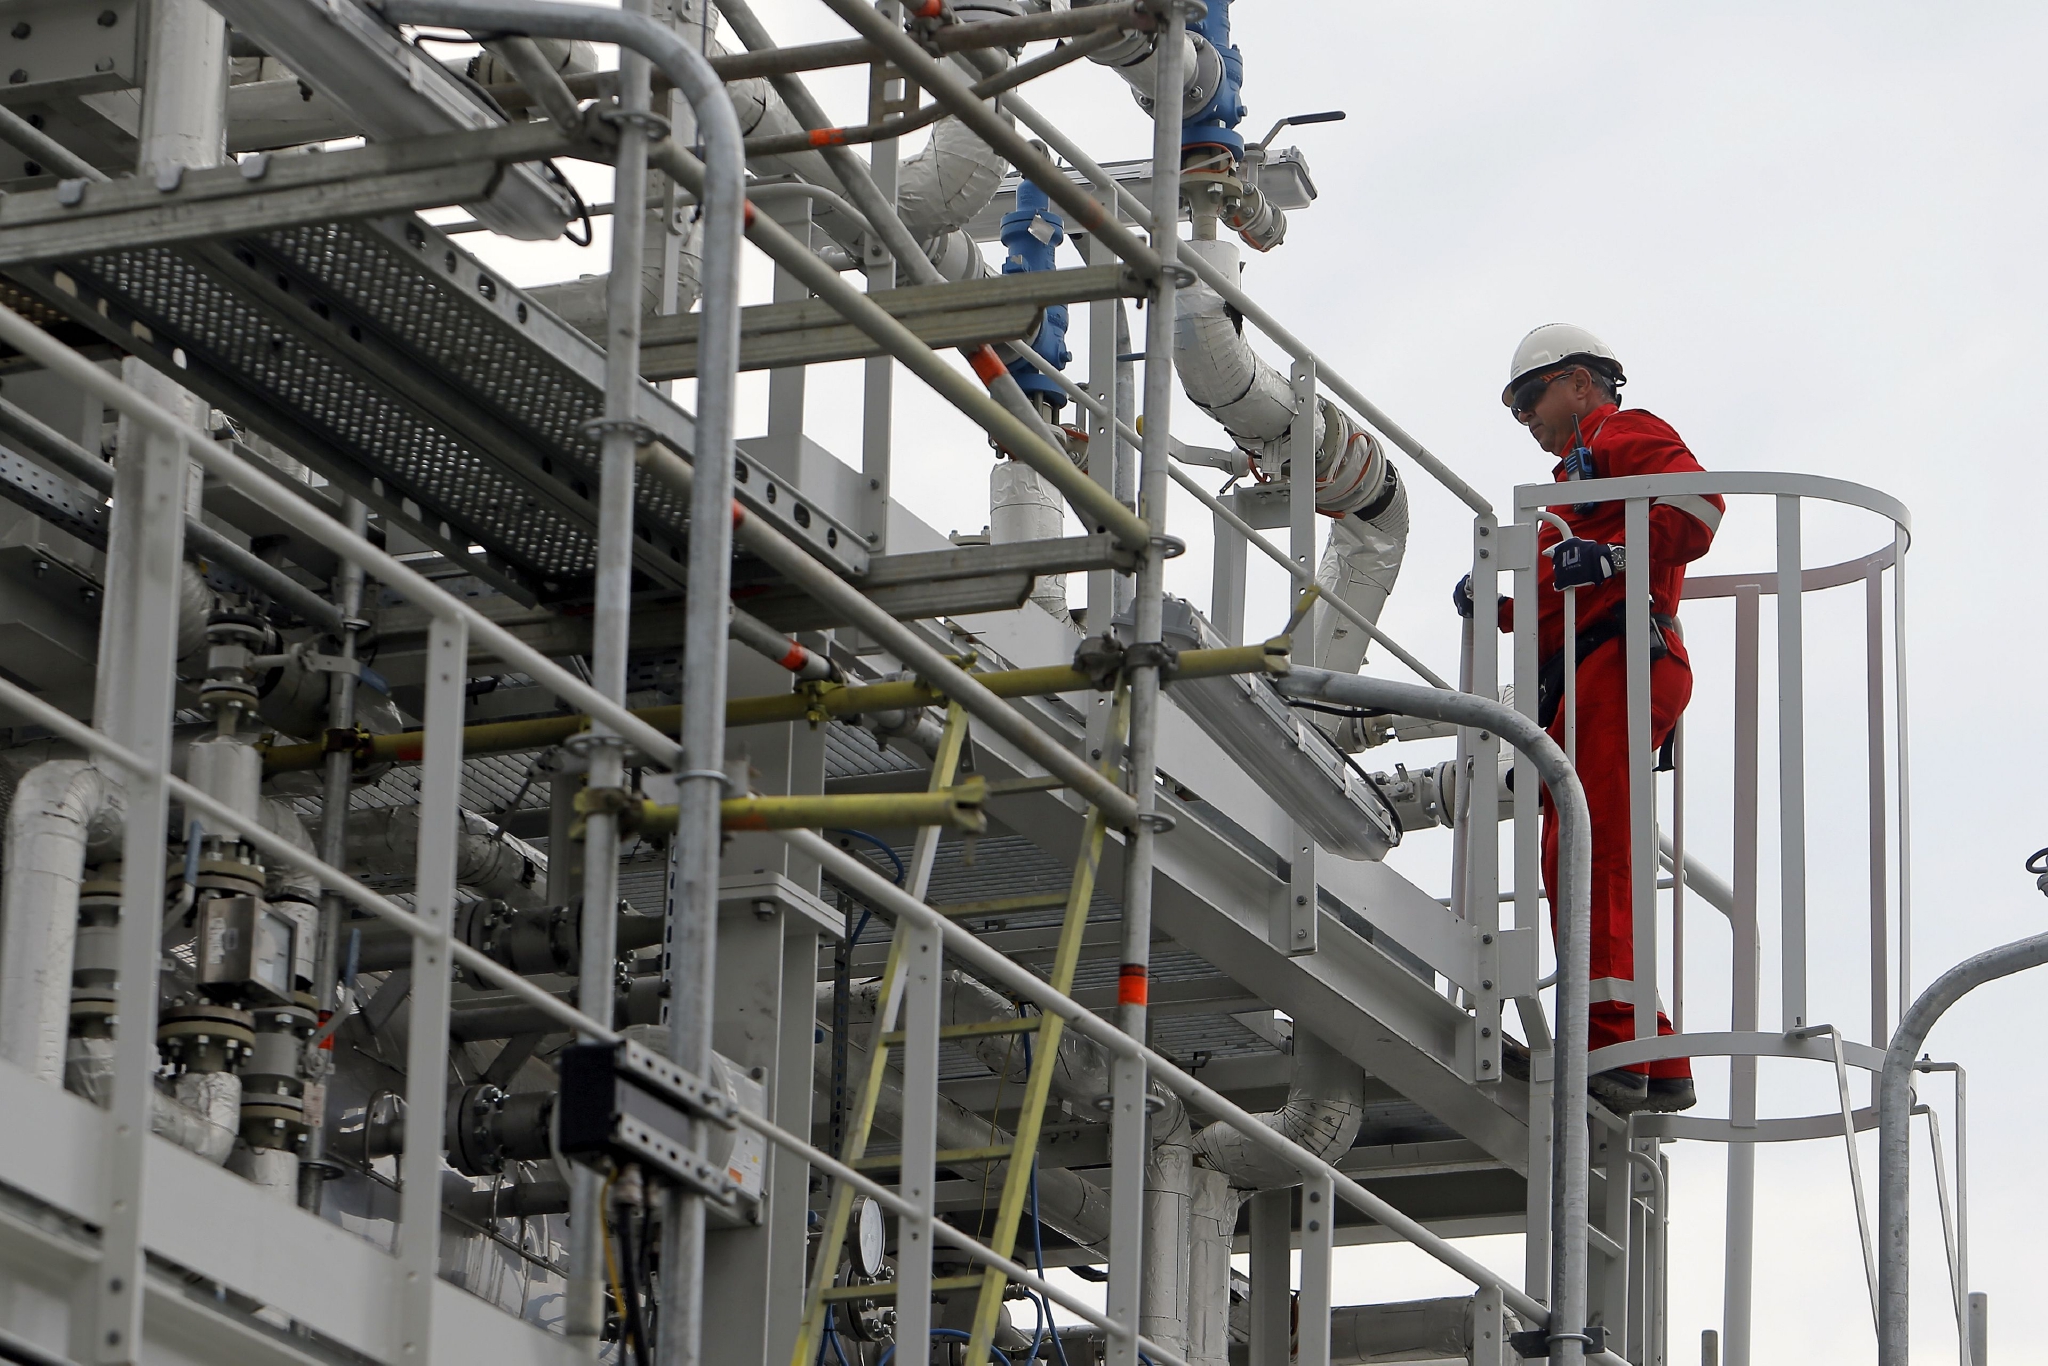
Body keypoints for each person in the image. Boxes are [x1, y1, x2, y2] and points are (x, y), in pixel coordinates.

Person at [1456, 323, 1721, 1115]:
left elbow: (1698, 507)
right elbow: (1561, 601)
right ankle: (1652, 1049)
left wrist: (1614, 556)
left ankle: (1612, 1040)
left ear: (1579, 382)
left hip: (1624, 657)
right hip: (1592, 664)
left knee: (1589, 843)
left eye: (1529, 399)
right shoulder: (1573, 494)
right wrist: (1502, 605)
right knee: (1572, 841)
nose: (1525, 420)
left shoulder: (1618, 434)